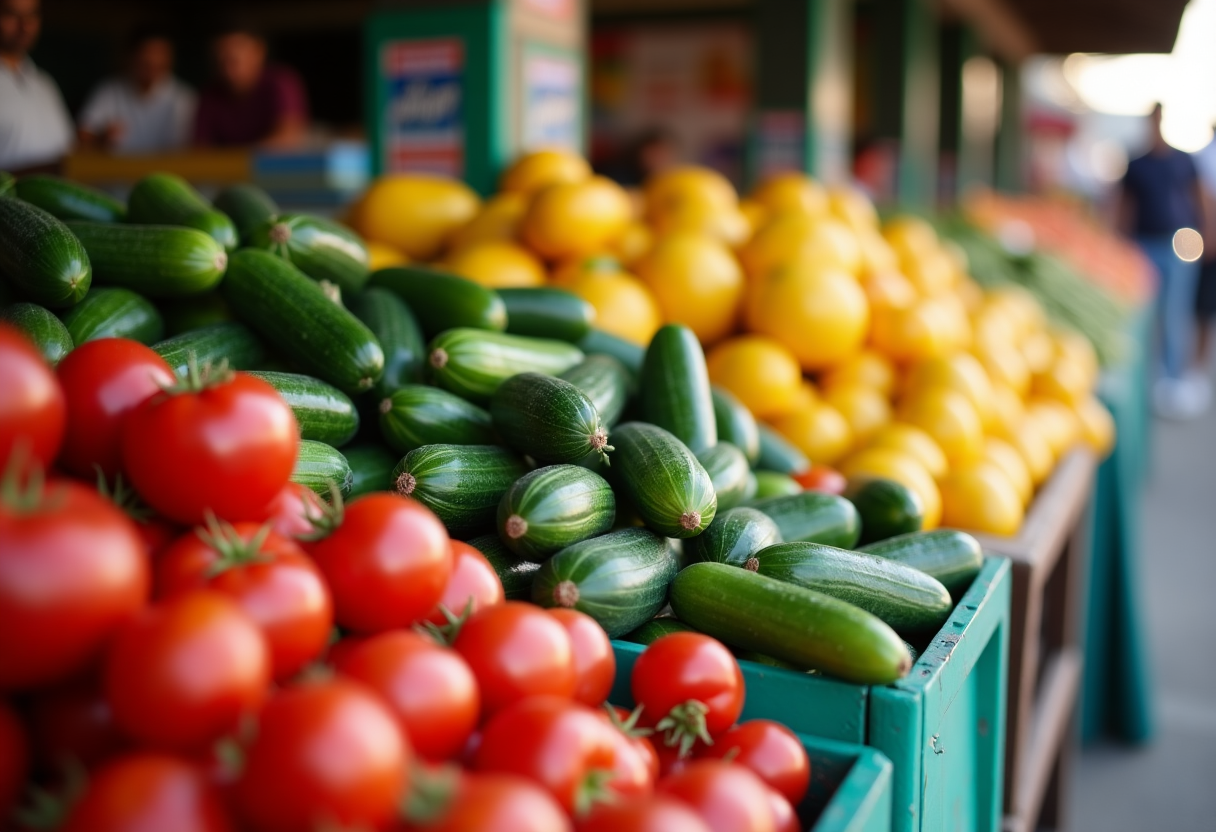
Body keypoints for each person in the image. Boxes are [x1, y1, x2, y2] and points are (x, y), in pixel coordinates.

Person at [1119, 103, 1209, 419]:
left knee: (1175, 311)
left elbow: (1198, 197)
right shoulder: (1137, 163)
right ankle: (1150, 379)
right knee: (1143, 314)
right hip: (1144, 244)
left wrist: (1208, 233)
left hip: (1178, 242)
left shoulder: (1183, 159)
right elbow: (1125, 207)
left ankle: (1173, 380)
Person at [78, 26, 196, 154]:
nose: (153, 60)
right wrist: (101, 138)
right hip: (116, 170)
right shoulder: (110, 90)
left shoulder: (184, 96)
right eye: (147, 52)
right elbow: (83, 134)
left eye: (160, 53)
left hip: (167, 170)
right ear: (131, 55)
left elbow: (192, 148)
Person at [193, 21, 307, 148]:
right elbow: (200, 148)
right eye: (221, 54)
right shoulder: (210, 94)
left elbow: (288, 137)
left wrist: (237, 159)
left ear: (259, 50)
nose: (228, 60)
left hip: (272, 167)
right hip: (231, 165)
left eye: (236, 51)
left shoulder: (280, 82)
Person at [0, 0, 72, 173]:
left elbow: (68, 150)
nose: (25, 25)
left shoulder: (45, 83)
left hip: (51, 197)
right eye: (12, 14)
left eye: (32, 15)